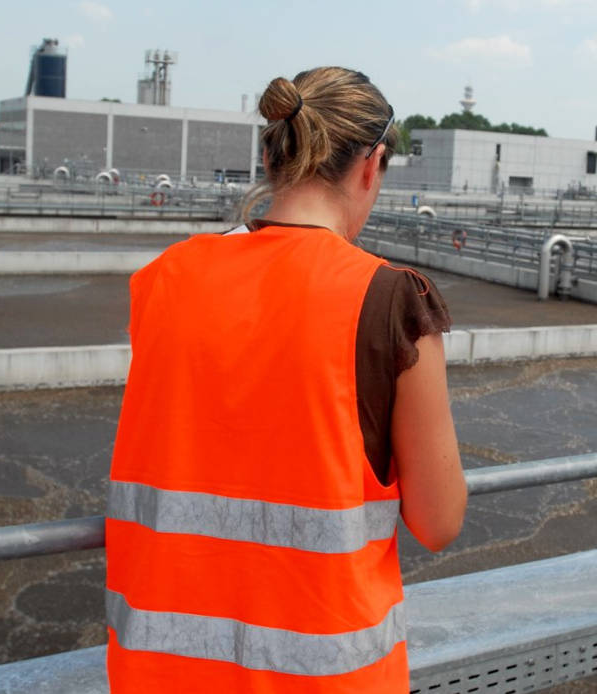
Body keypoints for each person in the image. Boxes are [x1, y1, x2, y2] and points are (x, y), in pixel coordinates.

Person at [105, 66, 467, 693]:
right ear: (369, 164)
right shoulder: (388, 300)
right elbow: (438, 523)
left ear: (274, 154)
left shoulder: (166, 278)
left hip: (157, 675)